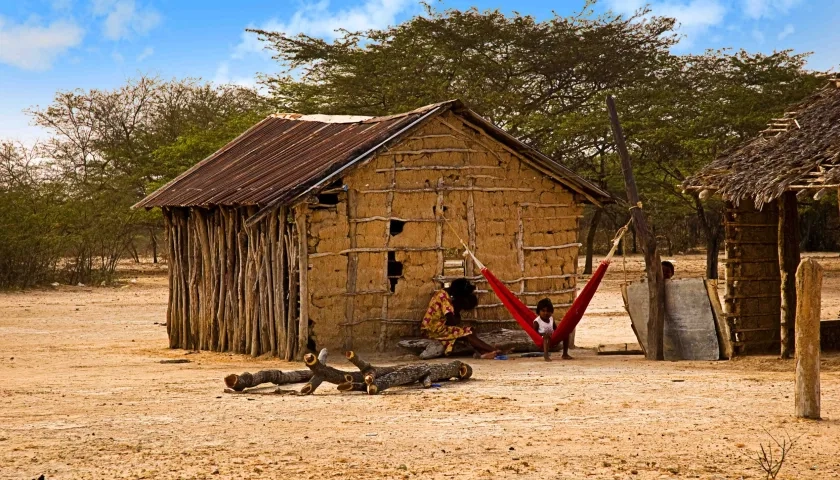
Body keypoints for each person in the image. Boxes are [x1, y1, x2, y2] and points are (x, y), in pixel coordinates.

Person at [421, 278, 499, 359]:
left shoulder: (443, 293)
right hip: (432, 330)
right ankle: (493, 350)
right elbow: (452, 322)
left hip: (437, 328)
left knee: (471, 330)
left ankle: (483, 353)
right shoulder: (444, 298)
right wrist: (457, 310)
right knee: (468, 334)